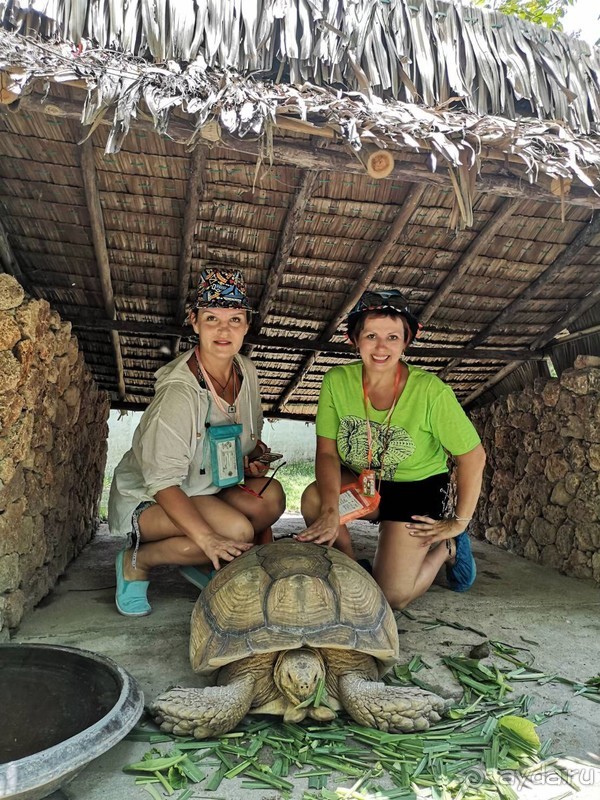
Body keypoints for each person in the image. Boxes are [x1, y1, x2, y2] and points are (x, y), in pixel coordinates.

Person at [108, 268, 285, 617]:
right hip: (150, 499)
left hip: (206, 489)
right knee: (235, 531)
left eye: (235, 319)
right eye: (212, 318)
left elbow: (244, 437)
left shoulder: (246, 371)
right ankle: (138, 560)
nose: (224, 330)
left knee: (271, 498)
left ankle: (200, 559)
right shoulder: (179, 392)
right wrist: (209, 539)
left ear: (247, 325)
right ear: (195, 322)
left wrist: (253, 457)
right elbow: (161, 482)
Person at [299, 289, 486, 610]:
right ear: (354, 339)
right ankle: (350, 568)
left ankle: (448, 548)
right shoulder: (336, 381)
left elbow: (472, 456)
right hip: (365, 482)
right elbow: (327, 453)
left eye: (392, 337)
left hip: (417, 490)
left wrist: (458, 522)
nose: (381, 347)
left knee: (392, 595)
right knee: (315, 500)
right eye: (371, 335)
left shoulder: (430, 391)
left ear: (405, 341)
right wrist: (330, 511)